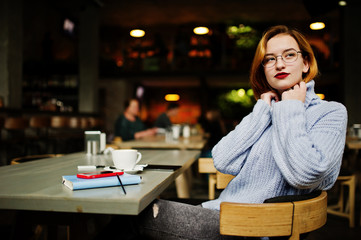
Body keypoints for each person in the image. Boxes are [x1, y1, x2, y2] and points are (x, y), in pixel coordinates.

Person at [100, 25, 347, 239]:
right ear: (263, 69)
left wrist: (291, 108)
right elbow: (223, 159)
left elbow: (306, 175)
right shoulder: (267, 111)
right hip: (223, 212)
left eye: (289, 55)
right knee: (129, 212)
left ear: (306, 63)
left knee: (131, 216)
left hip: (249, 227)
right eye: (270, 59)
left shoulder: (330, 112)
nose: (279, 64)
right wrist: (263, 110)